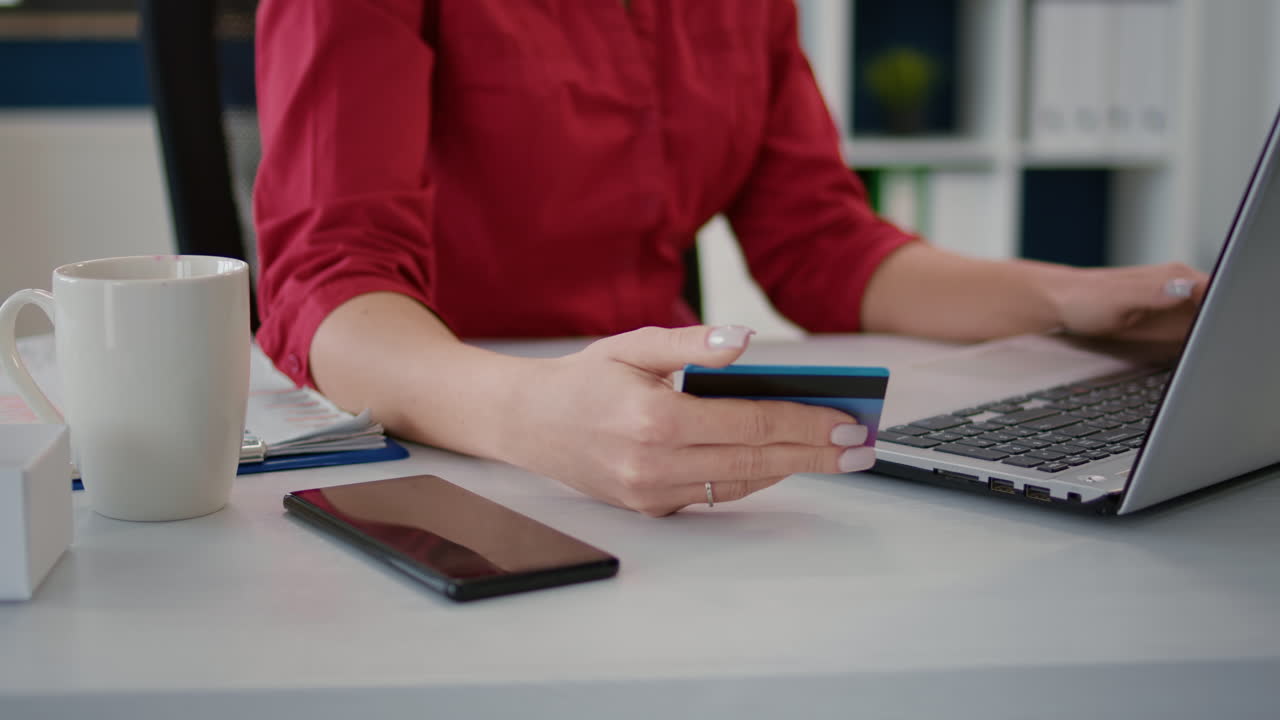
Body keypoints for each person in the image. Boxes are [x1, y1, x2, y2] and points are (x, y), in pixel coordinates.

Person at [252, 0, 1207, 516]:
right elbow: (331, 283)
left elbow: (822, 244)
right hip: (441, 458)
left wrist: (1068, 297)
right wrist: (529, 412)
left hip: (656, 455)